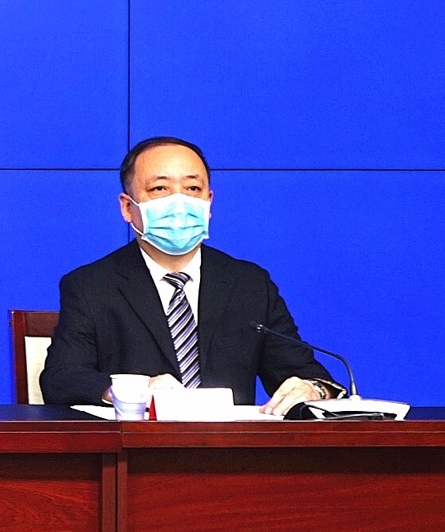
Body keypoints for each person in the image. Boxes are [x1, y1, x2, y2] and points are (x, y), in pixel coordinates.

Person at [40, 136, 341, 415]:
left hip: (231, 448)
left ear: (209, 202)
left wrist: (314, 389)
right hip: (138, 448)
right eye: (160, 189)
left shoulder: (249, 284)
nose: (179, 202)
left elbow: (307, 375)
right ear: (127, 208)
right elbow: (61, 380)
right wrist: (132, 390)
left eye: (193, 189)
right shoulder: (91, 285)